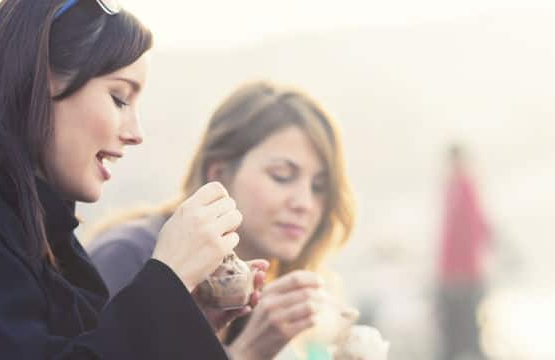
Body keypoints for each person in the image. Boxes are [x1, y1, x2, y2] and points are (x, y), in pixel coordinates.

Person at [0, 1, 266, 358]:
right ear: (42, 77)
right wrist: (167, 277)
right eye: (119, 98)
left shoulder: (35, 221)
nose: (136, 133)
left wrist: (185, 316)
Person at [87, 81, 356, 359]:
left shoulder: (266, 297)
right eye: (282, 175)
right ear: (218, 173)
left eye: (319, 186)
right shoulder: (129, 258)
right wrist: (247, 352)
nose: (305, 203)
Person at [437, 144, 492, 360]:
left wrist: (472, 269)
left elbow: (476, 230)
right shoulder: (451, 189)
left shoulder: (466, 188)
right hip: (450, 272)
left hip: (464, 274)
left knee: (466, 332)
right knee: (452, 333)